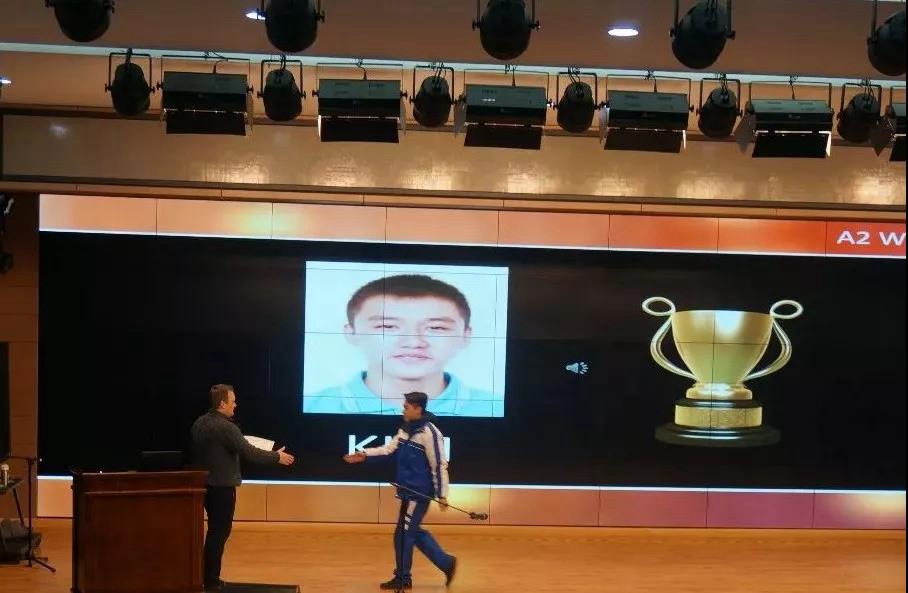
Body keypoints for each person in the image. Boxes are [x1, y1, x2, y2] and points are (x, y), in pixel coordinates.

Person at [304, 274, 498, 417]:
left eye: (436, 327)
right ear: (351, 333)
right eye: (387, 326)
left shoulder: (496, 407)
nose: (413, 342)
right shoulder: (311, 405)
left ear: (466, 335)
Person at [343, 391, 457, 590]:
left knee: (403, 534)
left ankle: (403, 578)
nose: (402, 410)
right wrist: (365, 455)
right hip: (406, 490)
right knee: (410, 531)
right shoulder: (405, 429)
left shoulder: (430, 433)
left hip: (419, 494)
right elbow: (389, 450)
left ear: (418, 408)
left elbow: (439, 464)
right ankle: (446, 563)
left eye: (406, 407)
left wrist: (442, 494)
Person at [191, 384, 295, 591]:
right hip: (222, 487)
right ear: (222, 403)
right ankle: (211, 581)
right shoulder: (226, 427)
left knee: (214, 532)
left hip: (203, 485)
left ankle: (208, 578)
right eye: (233, 401)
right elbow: (250, 452)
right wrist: (276, 457)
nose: (236, 405)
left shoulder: (200, 422)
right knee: (219, 533)